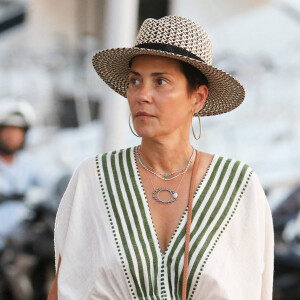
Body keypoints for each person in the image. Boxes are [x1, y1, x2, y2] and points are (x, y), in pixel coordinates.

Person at [48, 16, 274, 300]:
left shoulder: (239, 188)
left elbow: (254, 289)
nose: (142, 95)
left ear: (198, 97)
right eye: (135, 81)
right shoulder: (94, 179)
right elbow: (65, 286)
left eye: (161, 81)